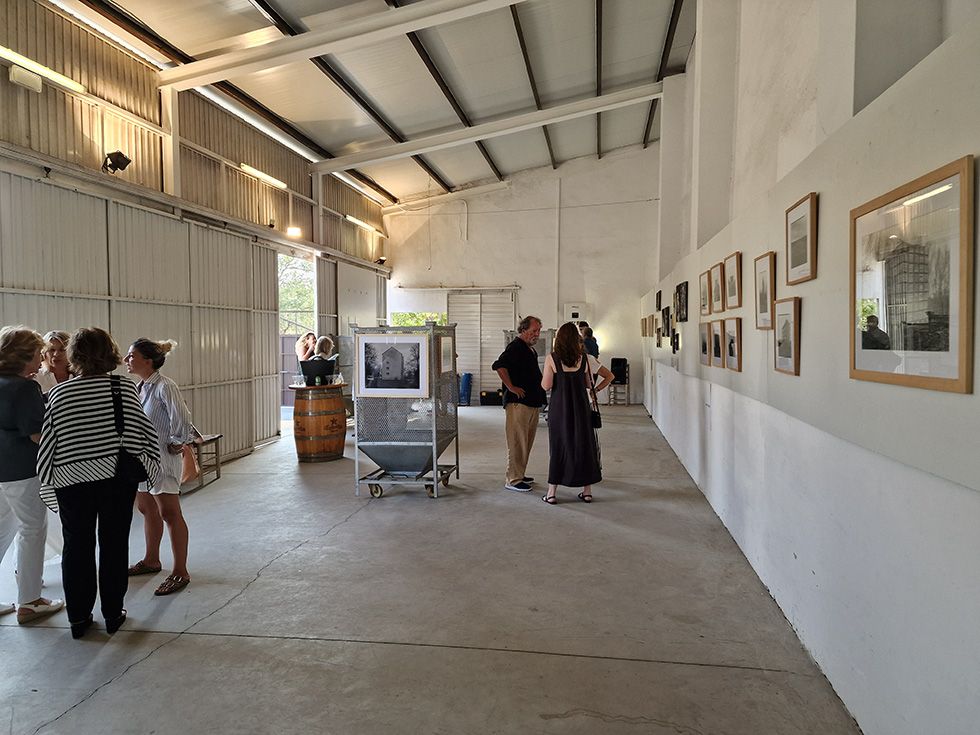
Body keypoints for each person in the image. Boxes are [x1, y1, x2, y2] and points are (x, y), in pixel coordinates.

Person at [38, 327, 161, 638]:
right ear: (111, 354)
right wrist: (150, 466)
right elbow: (141, 435)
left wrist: (48, 479)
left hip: (71, 482)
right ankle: (112, 613)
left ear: (73, 356)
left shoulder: (59, 394)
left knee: (76, 547)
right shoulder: (123, 387)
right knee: (113, 544)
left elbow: (50, 443)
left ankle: (78, 618)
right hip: (115, 480)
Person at [0, 326, 64, 624]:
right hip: (22, 471)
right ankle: (29, 600)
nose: (42, 360)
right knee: (32, 529)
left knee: (3, 532)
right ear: (25, 356)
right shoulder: (25, 388)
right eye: (39, 354)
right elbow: (38, 434)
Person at [124, 338, 194, 596]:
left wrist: (178, 442)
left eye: (131, 356)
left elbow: (182, 418)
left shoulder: (165, 386)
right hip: (142, 460)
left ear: (148, 361)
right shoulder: (139, 387)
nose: (126, 360)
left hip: (162, 460)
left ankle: (180, 571)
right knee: (146, 508)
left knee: (170, 513)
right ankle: (151, 559)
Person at [540, 322, 613, 505]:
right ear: (577, 339)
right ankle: (587, 492)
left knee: (558, 446)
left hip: (559, 409)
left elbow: (546, 386)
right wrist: (595, 390)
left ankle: (551, 493)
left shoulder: (552, 358)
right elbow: (607, 377)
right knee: (584, 445)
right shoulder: (586, 359)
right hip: (581, 408)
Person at [492, 316, 546, 492]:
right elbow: (500, 366)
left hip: (531, 401)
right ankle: (513, 479)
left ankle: (520, 473)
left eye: (538, 331)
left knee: (526, 441)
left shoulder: (529, 349)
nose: (537, 334)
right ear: (523, 330)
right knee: (517, 441)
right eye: (534, 331)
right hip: (518, 403)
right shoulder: (515, 347)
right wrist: (511, 387)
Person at [34, 330, 72, 394]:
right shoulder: (36, 378)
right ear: (44, 353)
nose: (56, 354)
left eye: (62, 350)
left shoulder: (79, 376)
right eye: (52, 350)